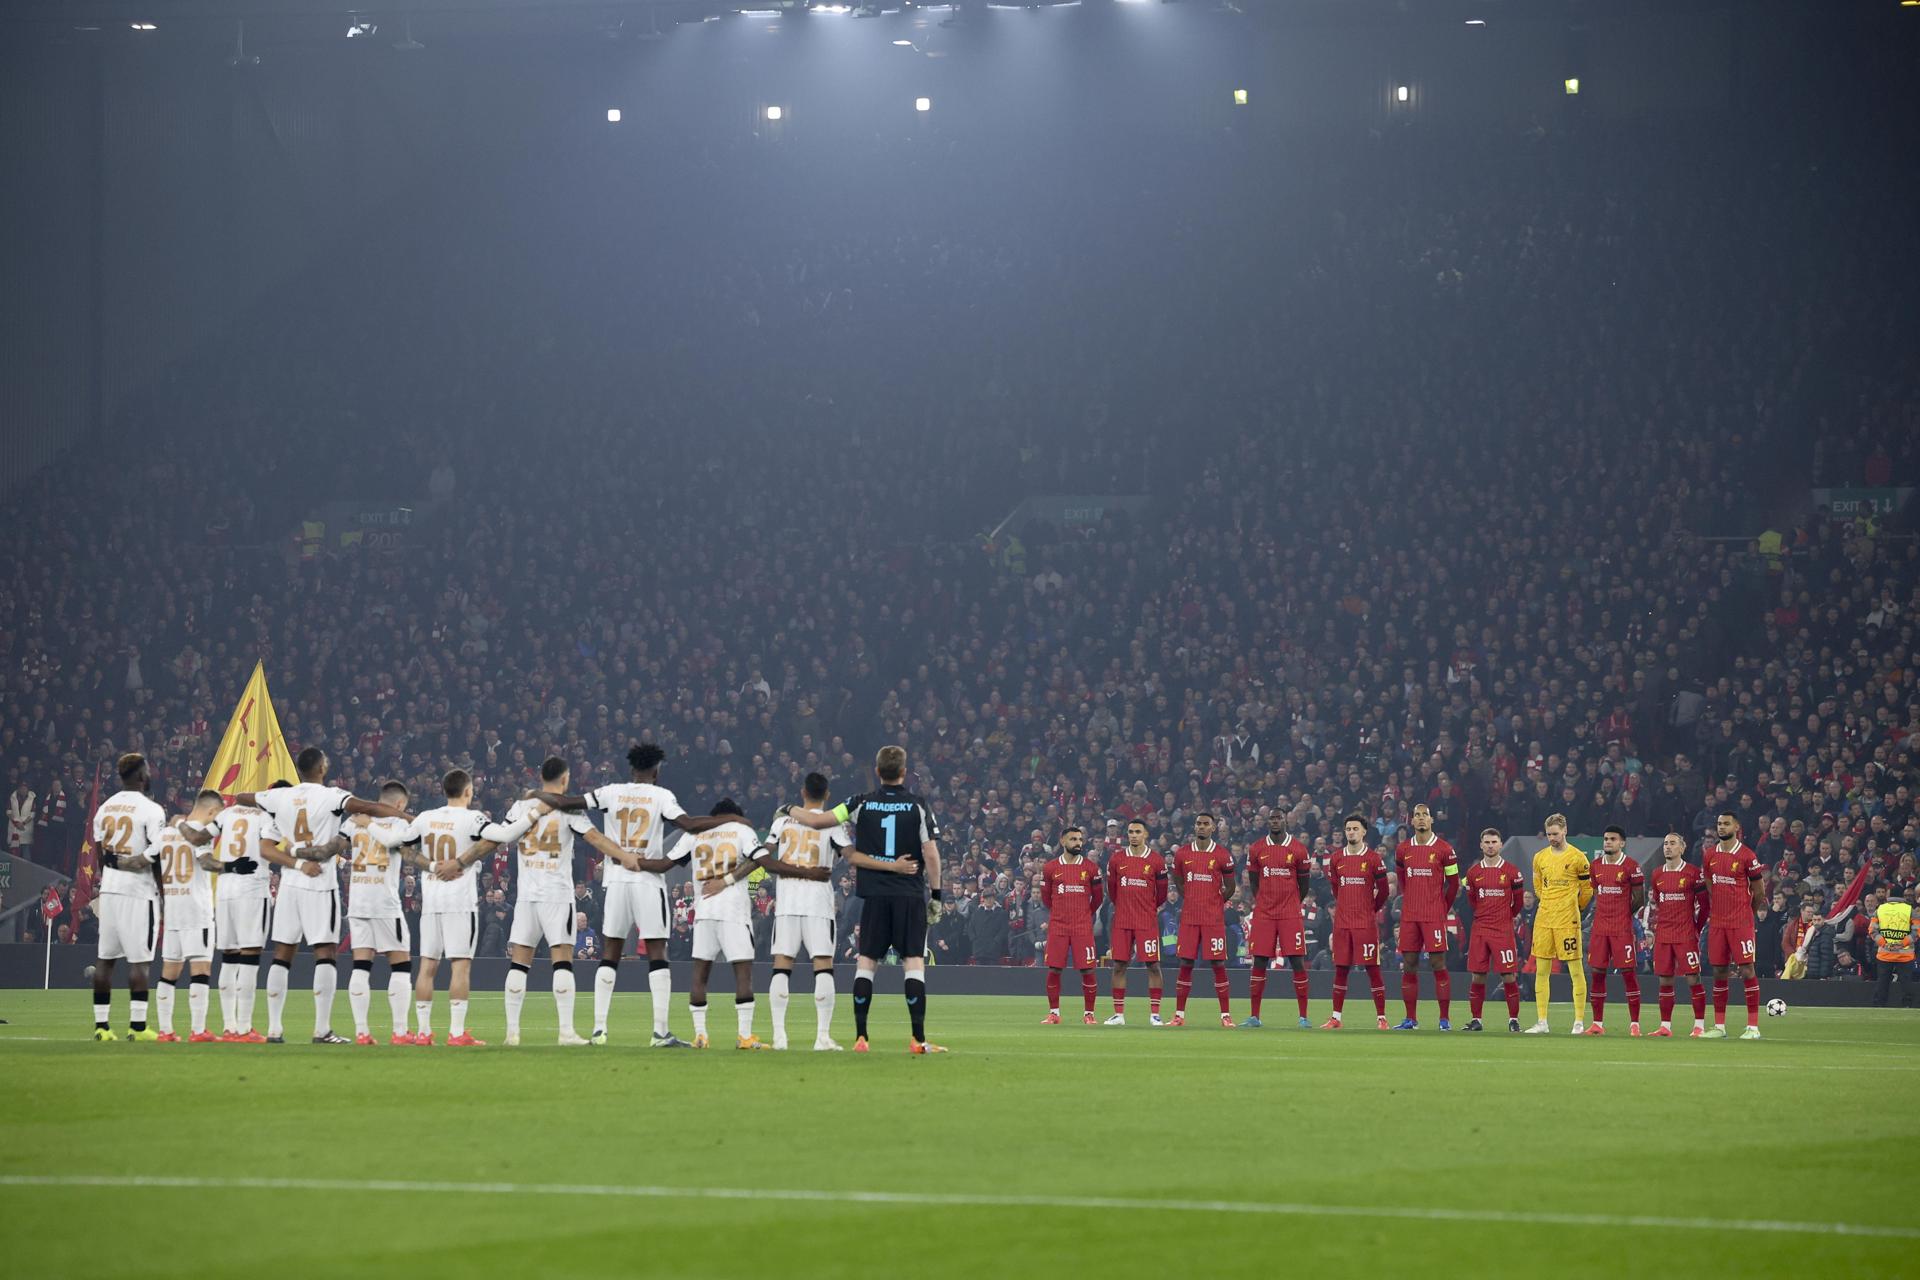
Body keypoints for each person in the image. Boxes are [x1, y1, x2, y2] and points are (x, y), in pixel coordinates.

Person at [226, 747, 413, 1044]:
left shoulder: (280, 797)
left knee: (282, 954)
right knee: (324, 953)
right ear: (323, 767)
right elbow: (369, 807)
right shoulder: (332, 795)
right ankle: (322, 1029)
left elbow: (241, 798)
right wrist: (403, 815)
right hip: (320, 883)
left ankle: (274, 1029)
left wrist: (266, 801)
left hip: (289, 883)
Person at [567, 743, 747, 1048]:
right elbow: (688, 824)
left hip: (617, 879)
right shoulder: (661, 796)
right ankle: (660, 1032)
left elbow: (573, 802)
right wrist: (727, 821)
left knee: (610, 951)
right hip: (648, 881)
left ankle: (598, 1030)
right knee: (656, 952)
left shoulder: (611, 791)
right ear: (656, 770)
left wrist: (545, 800)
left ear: (631, 768)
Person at [783, 744, 946, 1054]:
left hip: (872, 896)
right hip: (909, 894)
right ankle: (918, 1040)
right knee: (913, 963)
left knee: (866, 963)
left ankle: (861, 1037)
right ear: (903, 772)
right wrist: (936, 894)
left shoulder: (860, 803)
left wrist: (788, 808)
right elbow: (931, 853)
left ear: (876, 771)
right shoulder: (917, 806)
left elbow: (818, 821)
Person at [373, 768, 538, 1045]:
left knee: (427, 966)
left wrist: (368, 824)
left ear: (443, 790)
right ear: (468, 791)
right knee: (460, 966)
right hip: (460, 903)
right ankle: (457, 1033)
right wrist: (534, 814)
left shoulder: (426, 818)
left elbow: (393, 843)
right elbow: (507, 834)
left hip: (431, 902)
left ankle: (423, 1033)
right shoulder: (473, 818)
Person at [501, 757, 627, 1047]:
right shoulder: (567, 808)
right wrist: (625, 856)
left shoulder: (521, 807)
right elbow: (594, 837)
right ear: (565, 779)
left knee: (519, 963)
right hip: (556, 894)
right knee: (562, 962)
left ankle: (512, 1033)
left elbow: (504, 836)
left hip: (526, 895)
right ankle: (566, 1031)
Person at [668, 799, 770, 1049]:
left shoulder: (696, 833)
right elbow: (758, 859)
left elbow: (671, 860)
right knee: (743, 974)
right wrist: (727, 879)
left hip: (704, 912)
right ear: (735, 816)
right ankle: (744, 1036)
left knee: (699, 975)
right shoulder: (742, 830)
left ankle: (700, 1036)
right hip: (733, 910)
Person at [760, 773, 849, 1050]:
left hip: (787, 903)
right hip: (818, 905)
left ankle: (779, 1036)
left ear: (802, 792)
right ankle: (822, 1036)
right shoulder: (832, 824)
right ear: (827, 795)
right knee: (823, 966)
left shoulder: (781, 822)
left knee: (781, 966)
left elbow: (764, 855)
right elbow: (850, 855)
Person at [89, 753, 168, 1041]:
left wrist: (111, 876)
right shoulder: (152, 810)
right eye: (146, 770)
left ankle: (101, 1027)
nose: (149, 775)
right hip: (138, 892)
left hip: (110, 889)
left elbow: (99, 854)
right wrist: (163, 893)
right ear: (139, 776)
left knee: (105, 960)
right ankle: (137, 1027)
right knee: (139, 962)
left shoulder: (105, 808)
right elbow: (156, 855)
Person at [343, 781, 428, 1045]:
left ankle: (361, 1032)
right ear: (400, 804)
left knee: (361, 964)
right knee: (401, 965)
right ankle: (400, 1032)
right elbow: (411, 837)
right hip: (384, 903)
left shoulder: (353, 822)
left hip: (357, 902)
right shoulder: (400, 825)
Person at [205, 786, 284, 1041]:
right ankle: (244, 1027)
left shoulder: (227, 814)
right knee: (249, 957)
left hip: (225, 889)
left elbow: (202, 834)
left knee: (229, 958)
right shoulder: (267, 818)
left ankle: (228, 1027)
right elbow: (269, 849)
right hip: (252, 888)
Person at [151, 789, 227, 1042]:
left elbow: (152, 863)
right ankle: (197, 1030)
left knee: (168, 972)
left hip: (173, 910)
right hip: (197, 910)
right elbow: (206, 862)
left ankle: (165, 1031)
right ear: (211, 811)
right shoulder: (200, 833)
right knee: (201, 970)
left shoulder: (166, 832)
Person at [1392, 803, 1459, 1031]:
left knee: (1437, 963)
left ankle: (1444, 1019)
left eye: (1425, 815)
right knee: (1409, 964)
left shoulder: (1445, 849)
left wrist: (1442, 908)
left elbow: (1454, 884)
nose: (1421, 819)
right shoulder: (1402, 849)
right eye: (1417, 815)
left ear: (1432, 820)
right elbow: (1402, 879)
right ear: (1412, 821)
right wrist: (1410, 899)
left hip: (1433, 916)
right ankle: (1411, 1018)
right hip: (1410, 916)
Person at [1245, 808, 1313, 1029]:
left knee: (1296, 961)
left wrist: (1291, 902)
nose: (1275, 821)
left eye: (1278, 818)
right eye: (1272, 818)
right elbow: (1254, 882)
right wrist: (1264, 901)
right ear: (1268, 822)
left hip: (1289, 914)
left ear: (1286, 821)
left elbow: (1304, 885)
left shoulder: (1299, 849)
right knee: (1260, 961)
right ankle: (1254, 1016)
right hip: (1264, 913)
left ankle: (1303, 1017)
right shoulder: (1256, 848)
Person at [1524, 814, 1592, 1035]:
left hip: (1567, 921)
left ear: (1565, 831)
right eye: (1549, 834)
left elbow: (1587, 891)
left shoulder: (1578, 858)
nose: (1552, 838)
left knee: (1575, 969)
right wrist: (1548, 902)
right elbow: (1537, 884)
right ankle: (1542, 1021)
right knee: (1541, 971)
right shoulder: (1539, 857)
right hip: (1544, 920)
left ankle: (1579, 1021)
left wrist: (1574, 908)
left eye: (1555, 833)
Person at [1702, 811, 1767, 1039]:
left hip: (1741, 922)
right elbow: (1710, 884)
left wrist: (1746, 912)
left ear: (1736, 826)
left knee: (1747, 969)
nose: (1721, 827)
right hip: (1718, 922)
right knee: (1719, 971)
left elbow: (1759, 892)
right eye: (1719, 824)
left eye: (1726, 824)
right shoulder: (1709, 855)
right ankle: (1719, 1027)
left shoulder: (1747, 855)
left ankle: (1753, 1027)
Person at [1323, 815, 1389, 1030]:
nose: (1351, 832)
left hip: (1365, 924)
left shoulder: (1373, 859)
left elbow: (1384, 891)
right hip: (1342, 923)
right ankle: (1335, 1018)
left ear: (1363, 832)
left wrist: (1371, 909)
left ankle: (1381, 1018)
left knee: (1372, 968)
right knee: (1341, 969)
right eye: (1348, 828)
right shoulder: (1336, 858)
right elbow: (1335, 888)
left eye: (1355, 829)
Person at [1169, 812, 1235, 1028]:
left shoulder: (1223, 855)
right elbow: (1178, 882)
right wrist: (1192, 899)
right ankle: (1179, 1015)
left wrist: (1214, 902)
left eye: (1206, 824)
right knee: (1185, 963)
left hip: (1213, 919)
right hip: (1189, 918)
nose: (1201, 827)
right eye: (1198, 824)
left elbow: (1231, 887)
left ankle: (1225, 1015)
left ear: (1213, 828)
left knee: (1218, 963)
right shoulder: (1182, 854)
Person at [1103, 819, 1167, 1026]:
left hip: (1146, 920)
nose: (1133, 835)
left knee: (1153, 966)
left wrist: (1147, 908)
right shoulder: (1116, 859)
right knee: (1119, 965)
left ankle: (1155, 1014)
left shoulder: (1156, 861)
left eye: (1138, 831)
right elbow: (1112, 890)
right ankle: (1119, 1014)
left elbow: (1162, 894)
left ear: (1146, 834)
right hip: (1122, 920)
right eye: (1130, 831)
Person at [1585, 825, 1647, 1036]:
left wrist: (1622, 914)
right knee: (1597, 973)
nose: (1608, 842)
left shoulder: (1631, 866)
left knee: (1628, 974)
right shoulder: (1595, 866)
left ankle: (1635, 1024)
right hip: (1600, 929)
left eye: (1612, 839)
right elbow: (1596, 893)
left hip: (1621, 929)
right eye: (1605, 839)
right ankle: (1597, 1024)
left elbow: (1639, 899)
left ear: (1622, 843)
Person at [1648, 832, 1710, 1037]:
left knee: (1693, 979)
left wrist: (1696, 928)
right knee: (1664, 980)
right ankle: (1665, 1026)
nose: (1668, 847)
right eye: (1665, 843)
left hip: (1685, 935)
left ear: (1682, 848)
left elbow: (1705, 905)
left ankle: (1699, 1025)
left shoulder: (1693, 873)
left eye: (1672, 843)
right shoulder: (1657, 874)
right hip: (1663, 935)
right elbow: (1658, 901)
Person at [1039, 825, 1103, 1025]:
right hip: (1058, 927)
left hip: (1082, 927)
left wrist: (1084, 914)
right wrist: (1060, 913)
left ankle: (1089, 1014)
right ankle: (1054, 1013)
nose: (1078, 843)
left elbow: (1098, 899)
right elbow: (1046, 898)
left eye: (1080, 839)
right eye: (1073, 839)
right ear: (1063, 841)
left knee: (1088, 970)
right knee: (1054, 969)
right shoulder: (1050, 868)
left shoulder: (1091, 868)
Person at [1462, 827, 1524, 1032]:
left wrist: (1506, 917)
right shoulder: (1473, 873)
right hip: (1480, 929)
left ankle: (1513, 1020)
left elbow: (1518, 903)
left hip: (1502, 930)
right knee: (1478, 975)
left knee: (1508, 975)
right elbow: (1472, 901)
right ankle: (1476, 1019)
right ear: (1481, 845)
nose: (1490, 846)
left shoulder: (1512, 871)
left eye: (1494, 842)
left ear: (1500, 844)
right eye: (1486, 842)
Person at [1868, 892, 1915, 1007]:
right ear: (1902, 897)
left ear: (1889, 897)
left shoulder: (1880, 909)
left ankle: (1879, 1007)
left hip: (1885, 954)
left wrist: (1885, 944)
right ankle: (1907, 1007)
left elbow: (1872, 931)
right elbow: (1917, 931)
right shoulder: (1910, 910)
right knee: (1906, 984)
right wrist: (1902, 944)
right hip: (1905, 955)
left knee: (1882, 983)